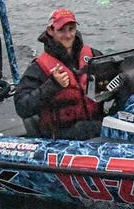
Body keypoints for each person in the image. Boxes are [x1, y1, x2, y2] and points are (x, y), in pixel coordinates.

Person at [14, 9, 106, 139]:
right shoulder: (39, 68)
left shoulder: (93, 56)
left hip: (97, 128)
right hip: (61, 138)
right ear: (50, 31)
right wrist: (52, 85)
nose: (68, 35)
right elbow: (22, 107)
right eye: (61, 30)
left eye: (71, 29)